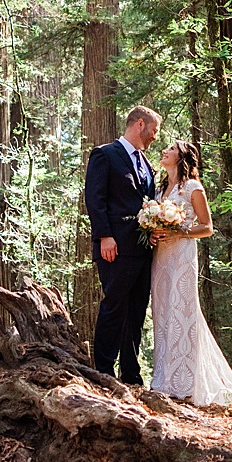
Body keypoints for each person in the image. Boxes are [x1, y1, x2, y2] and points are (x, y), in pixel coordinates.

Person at [146, 139, 232, 411]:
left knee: (182, 310)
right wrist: (153, 232)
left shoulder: (193, 187)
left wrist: (178, 231)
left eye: (171, 149)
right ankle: (163, 379)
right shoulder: (162, 188)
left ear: (182, 157)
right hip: (161, 255)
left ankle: (185, 383)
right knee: (162, 311)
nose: (164, 151)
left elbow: (207, 227)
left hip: (183, 254)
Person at [82, 104, 163, 383]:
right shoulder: (105, 154)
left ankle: (131, 374)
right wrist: (105, 236)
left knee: (137, 311)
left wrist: (154, 230)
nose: (155, 136)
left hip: (142, 250)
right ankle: (103, 370)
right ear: (139, 124)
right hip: (114, 247)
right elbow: (95, 198)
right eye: (154, 130)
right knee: (114, 306)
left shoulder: (146, 163)